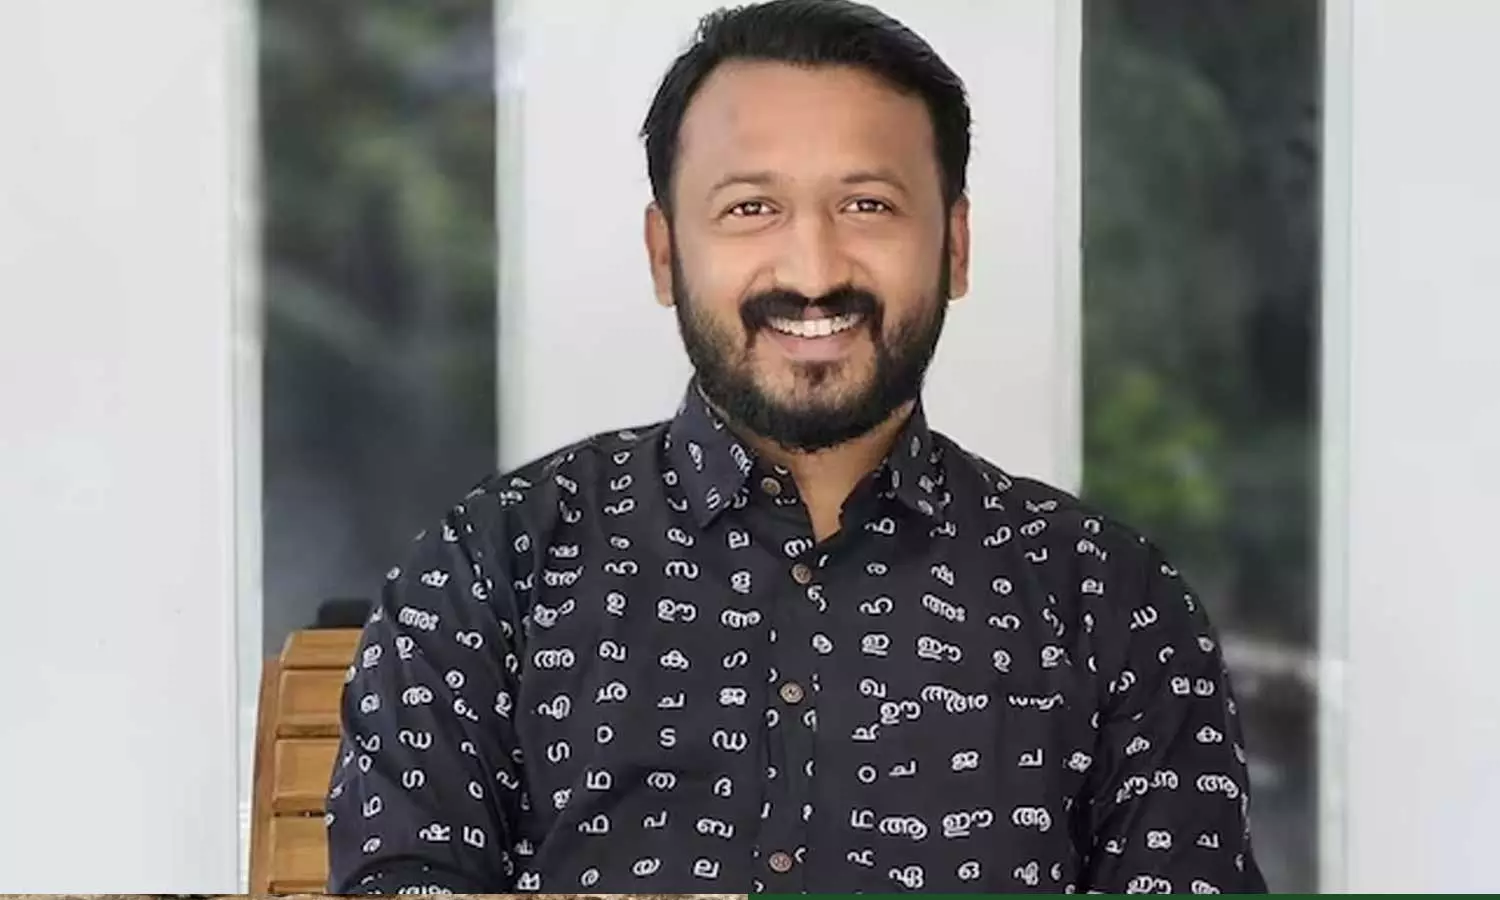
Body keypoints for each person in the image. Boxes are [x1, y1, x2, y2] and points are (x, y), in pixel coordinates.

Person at [324, 0, 1268, 893]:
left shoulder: (1112, 600)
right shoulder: (493, 568)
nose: (813, 272)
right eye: (751, 209)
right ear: (665, 253)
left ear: (955, 246)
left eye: (868, 206)